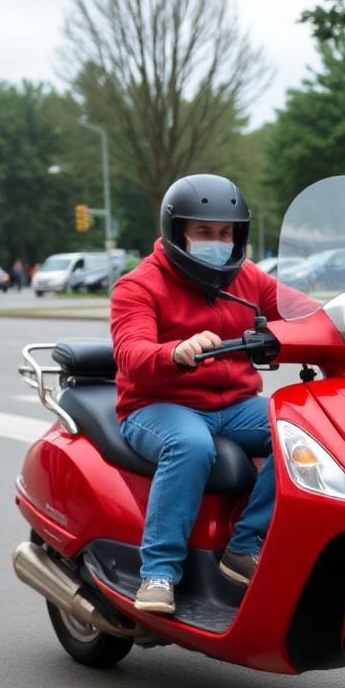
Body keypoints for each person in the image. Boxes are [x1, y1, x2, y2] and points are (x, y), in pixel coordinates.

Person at [110, 174, 281, 615]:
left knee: (308, 432)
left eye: (225, 233)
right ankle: (159, 572)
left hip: (235, 405)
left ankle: (246, 543)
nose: (216, 241)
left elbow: (304, 315)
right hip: (159, 405)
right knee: (190, 445)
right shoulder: (138, 285)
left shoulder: (249, 279)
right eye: (203, 232)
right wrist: (174, 352)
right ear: (177, 231)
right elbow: (131, 352)